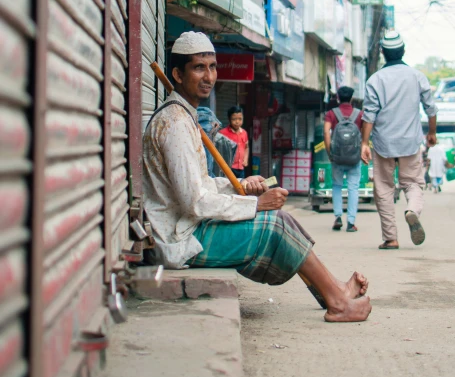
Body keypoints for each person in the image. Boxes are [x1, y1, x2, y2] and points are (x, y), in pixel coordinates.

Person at [143, 31, 372, 323]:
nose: (209, 76)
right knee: (274, 225)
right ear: (177, 73)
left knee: (284, 220)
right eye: (198, 67)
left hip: (189, 226)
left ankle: (334, 291)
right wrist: (256, 205)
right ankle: (338, 302)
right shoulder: (175, 123)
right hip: (181, 240)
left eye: (212, 67)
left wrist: (240, 188)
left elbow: (200, 185)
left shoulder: (186, 116)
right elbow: (195, 203)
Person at [361, 31, 438, 250]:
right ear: (403, 51)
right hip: (410, 142)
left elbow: (369, 115)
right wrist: (432, 133)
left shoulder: (375, 79)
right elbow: (431, 109)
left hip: (383, 143)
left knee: (384, 188)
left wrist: (364, 143)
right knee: (412, 183)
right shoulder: (417, 76)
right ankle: (412, 210)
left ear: (383, 53)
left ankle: (391, 238)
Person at [323, 86, 363, 232]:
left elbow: (326, 133)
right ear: (352, 98)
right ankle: (351, 222)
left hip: (338, 158)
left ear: (338, 98)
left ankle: (338, 217)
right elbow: (364, 134)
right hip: (354, 158)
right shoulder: (359, 114)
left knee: (337, 186)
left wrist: (330, 153)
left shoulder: (331, 114)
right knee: (353, 188)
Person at [219, 106, 249, 179]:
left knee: (240, 187)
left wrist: (245, 159)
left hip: (241, 168)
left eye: (240, 119)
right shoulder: (222, 133)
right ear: (229, 119)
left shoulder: (244, 133)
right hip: (229, 168)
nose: (237, 122)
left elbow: (246, 147)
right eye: (234, 119)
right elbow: (219, 150)